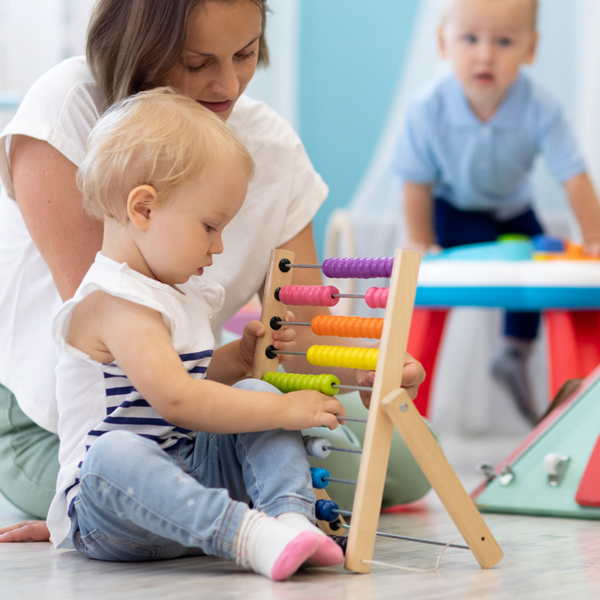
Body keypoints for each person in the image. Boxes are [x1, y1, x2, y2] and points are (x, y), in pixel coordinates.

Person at [0, 0, 427, 542]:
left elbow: (292, 349)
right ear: (140, 48)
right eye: (197, 63)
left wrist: (364, 368)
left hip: (195, 409)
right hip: (71, 426)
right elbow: (138, 372)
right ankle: (211, 520)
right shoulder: (69, 109)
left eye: (245, 53)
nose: (228, 84)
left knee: (403, 459)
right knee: (141, 461)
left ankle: (258, 514)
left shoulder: (268, 145)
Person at [47, 87, 346, 580]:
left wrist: (240, 357)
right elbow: (180, 400)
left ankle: (290, 519)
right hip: (111, 513)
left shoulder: (177, 291)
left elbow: (196, 374)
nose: (220, 245)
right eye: (210, 226)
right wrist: (288, 407)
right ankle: (248, 536)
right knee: (113, 453)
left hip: (183, 486)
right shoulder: (114, 302)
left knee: (253, 389)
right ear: (143, 209)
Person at [390, 0, 600, 424]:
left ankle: (514, 353)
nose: (485, 55)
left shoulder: (542, 107)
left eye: (504, 41)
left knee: (537, 267)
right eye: (470, 39)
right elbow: (416, 181)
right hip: (454, 207)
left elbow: (574, 175)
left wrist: (595, 237)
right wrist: (420, 237)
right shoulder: (427, 106)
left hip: (513, 209)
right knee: (450, 269)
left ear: (530, 49)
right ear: (443, 43)